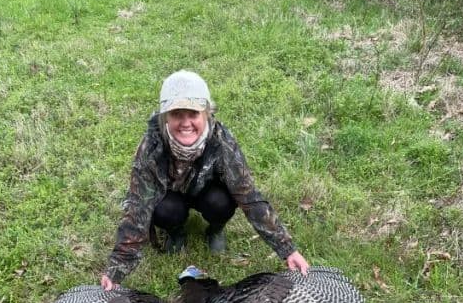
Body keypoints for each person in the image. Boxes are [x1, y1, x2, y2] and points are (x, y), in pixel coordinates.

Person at [101, 70, 309, 289]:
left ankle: (215, 229)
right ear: (165, 117)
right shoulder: (151, 147)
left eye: (193, 114)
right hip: (171, 197)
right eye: (177, 114)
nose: (186, 123)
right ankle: (175, 232)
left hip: (206, 192)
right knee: (165, 210)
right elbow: (137, 208)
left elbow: (250, 197)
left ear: (207, 114)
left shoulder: (221, 141)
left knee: (222, 202)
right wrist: (116, 271)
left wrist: (288, 250)